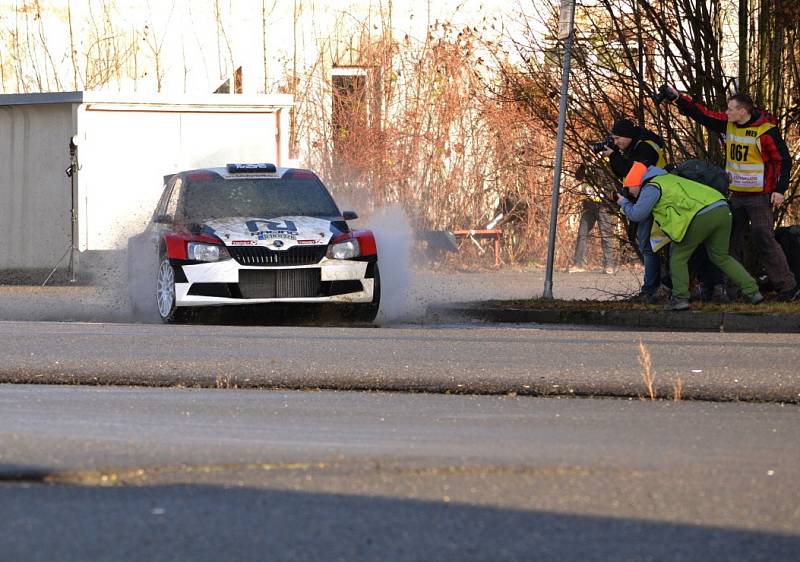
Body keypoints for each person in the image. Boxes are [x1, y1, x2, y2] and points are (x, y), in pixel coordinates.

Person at [664, 87, 799, 301]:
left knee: (764, 237)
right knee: (728, 242)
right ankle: (735, 290)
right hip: (736, 195)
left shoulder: (765, 131)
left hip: (759, 196)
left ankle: (788, 287)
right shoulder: (728, 124)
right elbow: (703, 114)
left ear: (743, 112)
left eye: (730, 109)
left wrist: (779, 189)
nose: (726, 113)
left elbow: (783, 161)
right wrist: (679, 99)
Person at [616, 162, 763, 311]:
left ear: (636, 183)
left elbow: (637, 214)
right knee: (721, 257)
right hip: (722, 208)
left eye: (629, 189)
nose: (631, 193)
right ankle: (752, 291)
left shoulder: (652, 186)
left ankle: (680, 298)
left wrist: (624, 202)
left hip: (702, 215)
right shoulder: (667, 178)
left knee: (678, 256)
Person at [599, 118, 667, 301]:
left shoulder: (645, 148)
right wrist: (615, 155)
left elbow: (632, 174)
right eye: (613, 138)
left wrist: (614, 156)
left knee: (647, 246)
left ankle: (651, 289)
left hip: (653, 200)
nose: (616, 141)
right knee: (650, 246)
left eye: (618, 137)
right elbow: (626, 174)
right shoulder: (635, 147)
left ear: (629, 136)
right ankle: (657, 287)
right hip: (650, 198)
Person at [570, 164, 615, 273]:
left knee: (606, 235)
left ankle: (609, 265)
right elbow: (578, 177)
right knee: (582, 234)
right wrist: (583, 166)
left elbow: (609, 182)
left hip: (603, 205)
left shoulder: (607, 162)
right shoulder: (586, 163)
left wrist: (595, 165)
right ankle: (577, 264)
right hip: (588, 204)